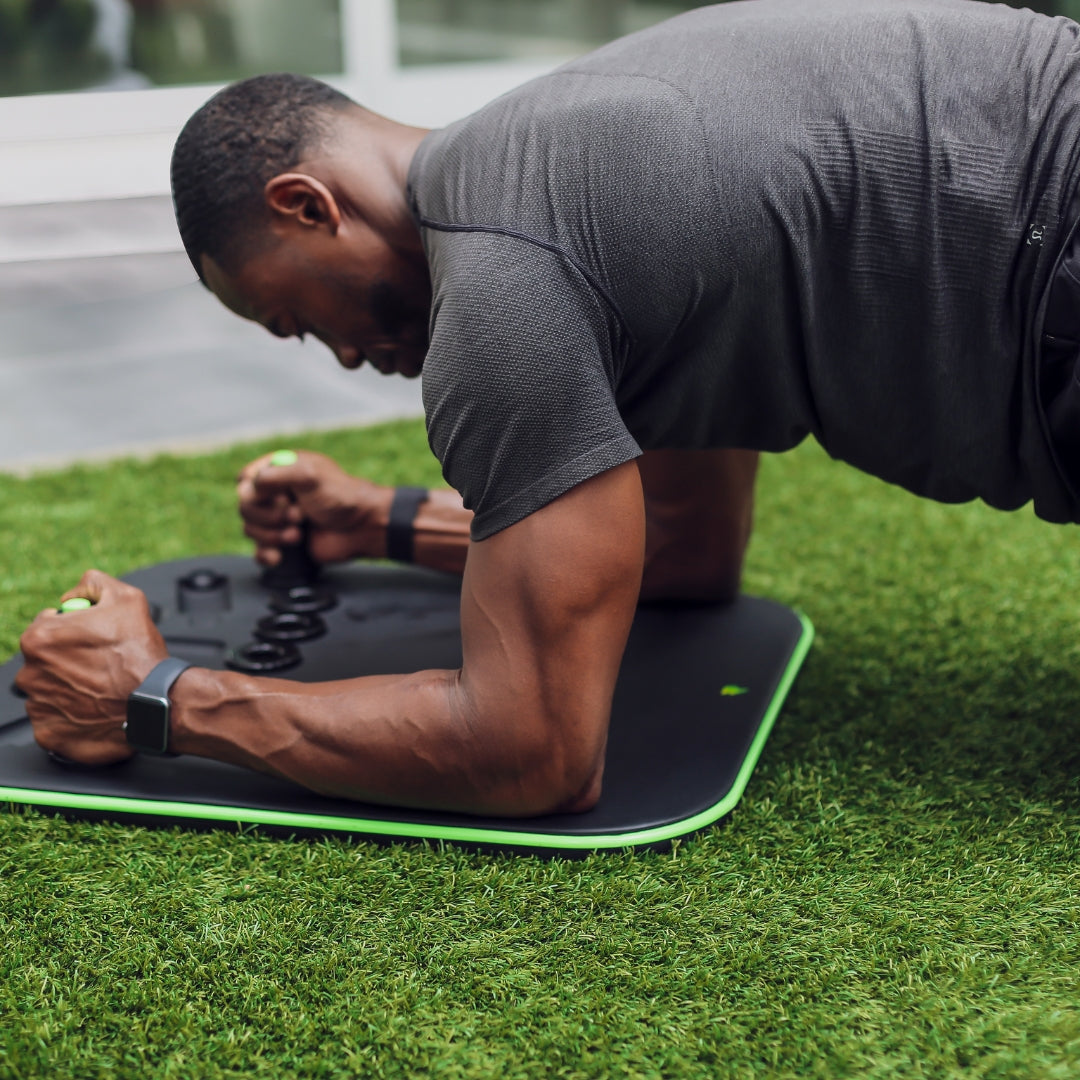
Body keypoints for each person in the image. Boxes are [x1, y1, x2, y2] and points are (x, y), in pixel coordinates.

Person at [17, 0, 1080, 815]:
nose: (341, 354)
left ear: (307, 205)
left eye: (294, 320)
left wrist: (157, 696)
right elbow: (684, 554)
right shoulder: (565, 168)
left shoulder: (504, 283)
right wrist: (385, 521)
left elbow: (533, 753)